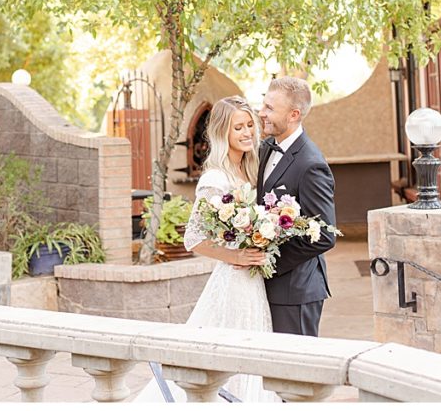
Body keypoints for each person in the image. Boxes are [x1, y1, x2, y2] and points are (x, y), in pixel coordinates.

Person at [134, 96, 279, 403]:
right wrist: (236, 255)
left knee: (253, 352)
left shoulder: (251, 171)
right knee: (231, 354)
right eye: (237, 127)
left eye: (250, 125)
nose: (246, 132)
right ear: (222, 133)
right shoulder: (215, 178)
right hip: (234, 281)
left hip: (254, 281)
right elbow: (194, 238)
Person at [257, 76, 336, 337]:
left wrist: (268, 263)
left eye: (270, 108)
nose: (262, 113)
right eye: (263, 104)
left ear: (293, 114)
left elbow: (324, 235)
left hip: (296, 291)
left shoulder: (311, 164)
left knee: (296, 373)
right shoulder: (267, 147)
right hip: (266, 287)